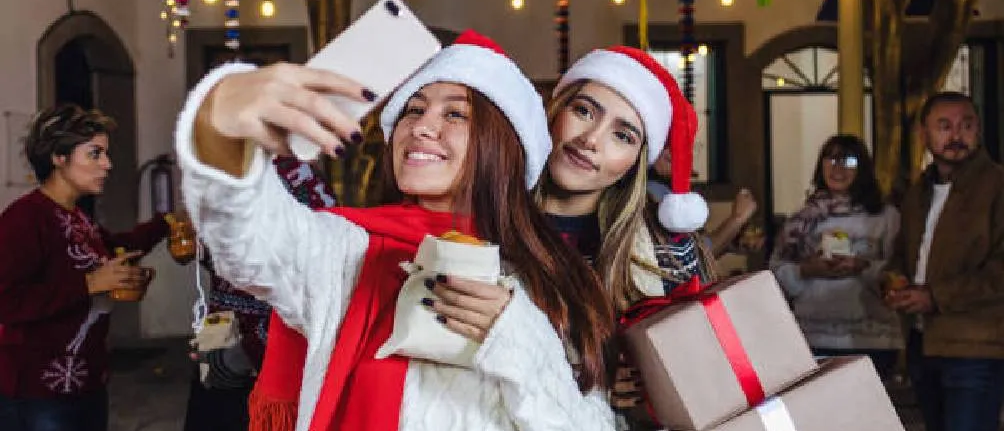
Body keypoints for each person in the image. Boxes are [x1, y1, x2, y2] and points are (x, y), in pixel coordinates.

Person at [176, 31, 616, 431]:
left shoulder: (552, 280)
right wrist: (219, 124)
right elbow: (249, 239)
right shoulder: (348, 249)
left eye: (456, 114)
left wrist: (516, 335)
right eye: (414, 109)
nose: (422, 127)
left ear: (504, 146)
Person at [534, 46, 713, 428]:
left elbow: (703, 381)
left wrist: (643, 391)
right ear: (556, 110)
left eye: (623, 135)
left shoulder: (665, 251)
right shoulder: (484, 220)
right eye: (583, 111)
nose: (591, 140)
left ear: (637, 161)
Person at [0, 104, 170, 431]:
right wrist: (88, 284)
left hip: (86, 384)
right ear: (58, 157)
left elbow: (115, 247)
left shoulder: (76, 217)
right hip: (39, 393)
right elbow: (6, 301)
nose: (107, 165)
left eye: (105, 154)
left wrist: (166, 225)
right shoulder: (24, 219)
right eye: (94, 154)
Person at [182, 155, 336, 431]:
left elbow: (318, 280)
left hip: (259, 363)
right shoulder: (236, 171)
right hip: (223, 342)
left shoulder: (293, 180)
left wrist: (245, 353)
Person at [885, 92, 1004, 431]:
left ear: (978, 130)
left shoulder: (996, 186)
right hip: (924, 344)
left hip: (977, 345)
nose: (956, 136)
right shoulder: (918, 193)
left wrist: (935, 296)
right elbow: (902, 255)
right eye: (944, 126)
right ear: (924, 134)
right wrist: (893, 282)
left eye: (966, 126)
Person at [769, 135, 902, 379]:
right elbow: (774, 274)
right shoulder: (802, 218)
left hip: (871, 338)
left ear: (862, 168)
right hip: (812, 336)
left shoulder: (885, 216)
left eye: (848, 161)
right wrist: (807, 270)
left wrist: (863, 266)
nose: (837, 167)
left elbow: (899, 271)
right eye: (830, 158)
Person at [648, 148, 763, 259]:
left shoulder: (666, 190)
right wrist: (737, 219)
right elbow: (696, 256)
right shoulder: (652, 191)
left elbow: (700, 256)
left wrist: (729, 243)